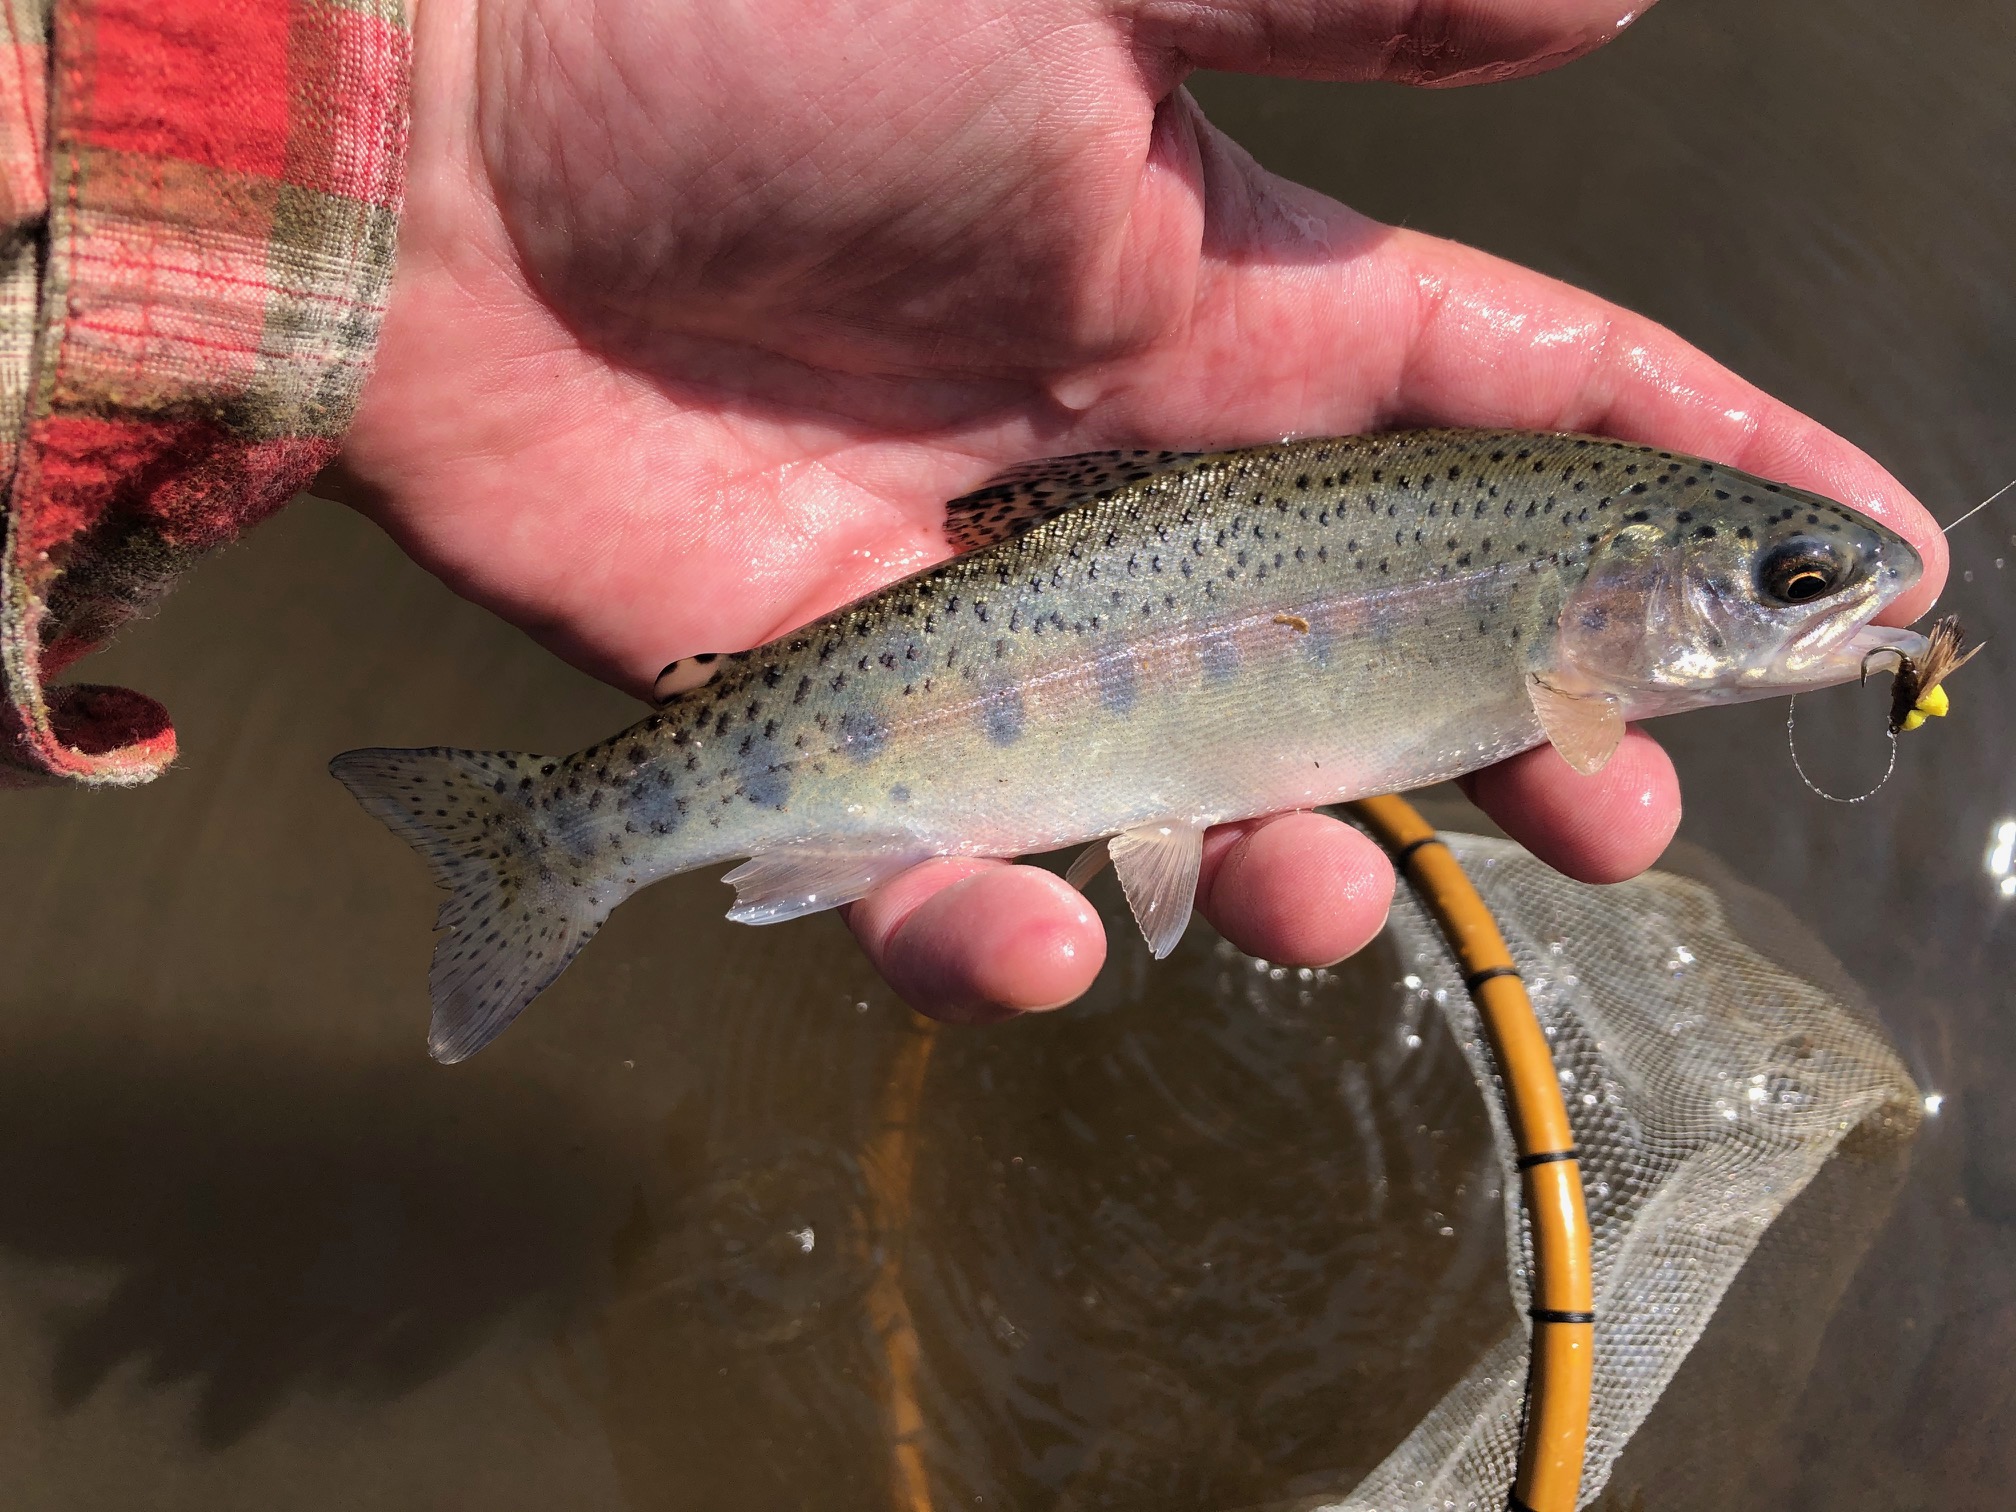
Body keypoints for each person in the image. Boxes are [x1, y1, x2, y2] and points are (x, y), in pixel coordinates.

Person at [5, 0, 1945, 1026]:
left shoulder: (1572, 656)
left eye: (1794, 591)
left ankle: (575, 834)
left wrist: (452, 88)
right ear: (1606, 605)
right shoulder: (1569, 663)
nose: (1825, 612)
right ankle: (566, 837)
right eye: (1787, 586)